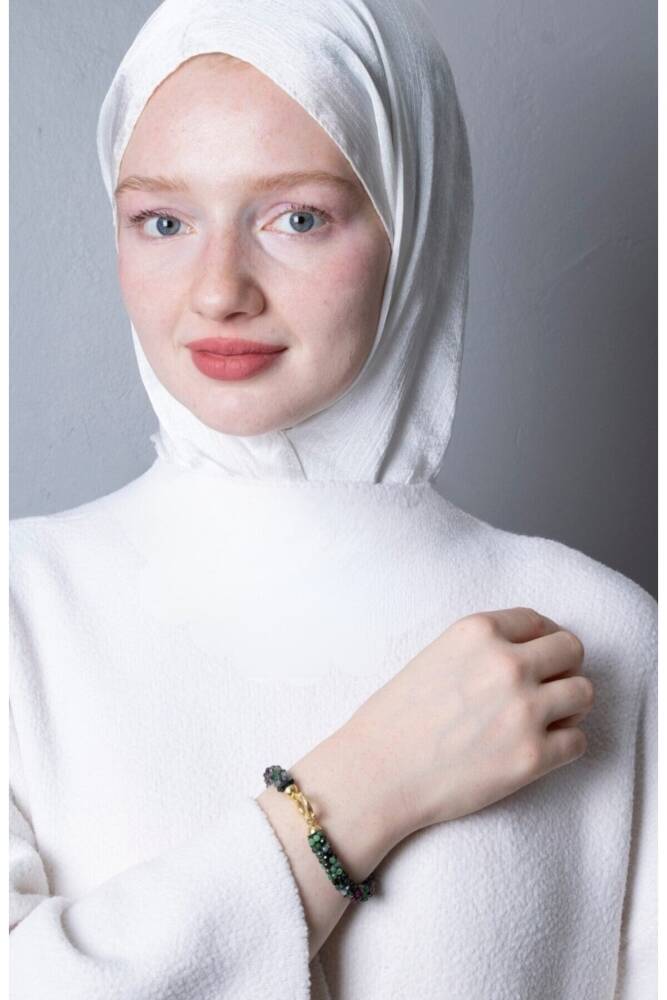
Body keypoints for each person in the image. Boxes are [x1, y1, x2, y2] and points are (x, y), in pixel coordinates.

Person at [9, 0, 656, 998]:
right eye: (163, 221)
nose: (219, 289)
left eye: (297, 217)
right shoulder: (21, 608)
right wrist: (363, 789)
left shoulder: (601, 635)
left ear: (413, 218)